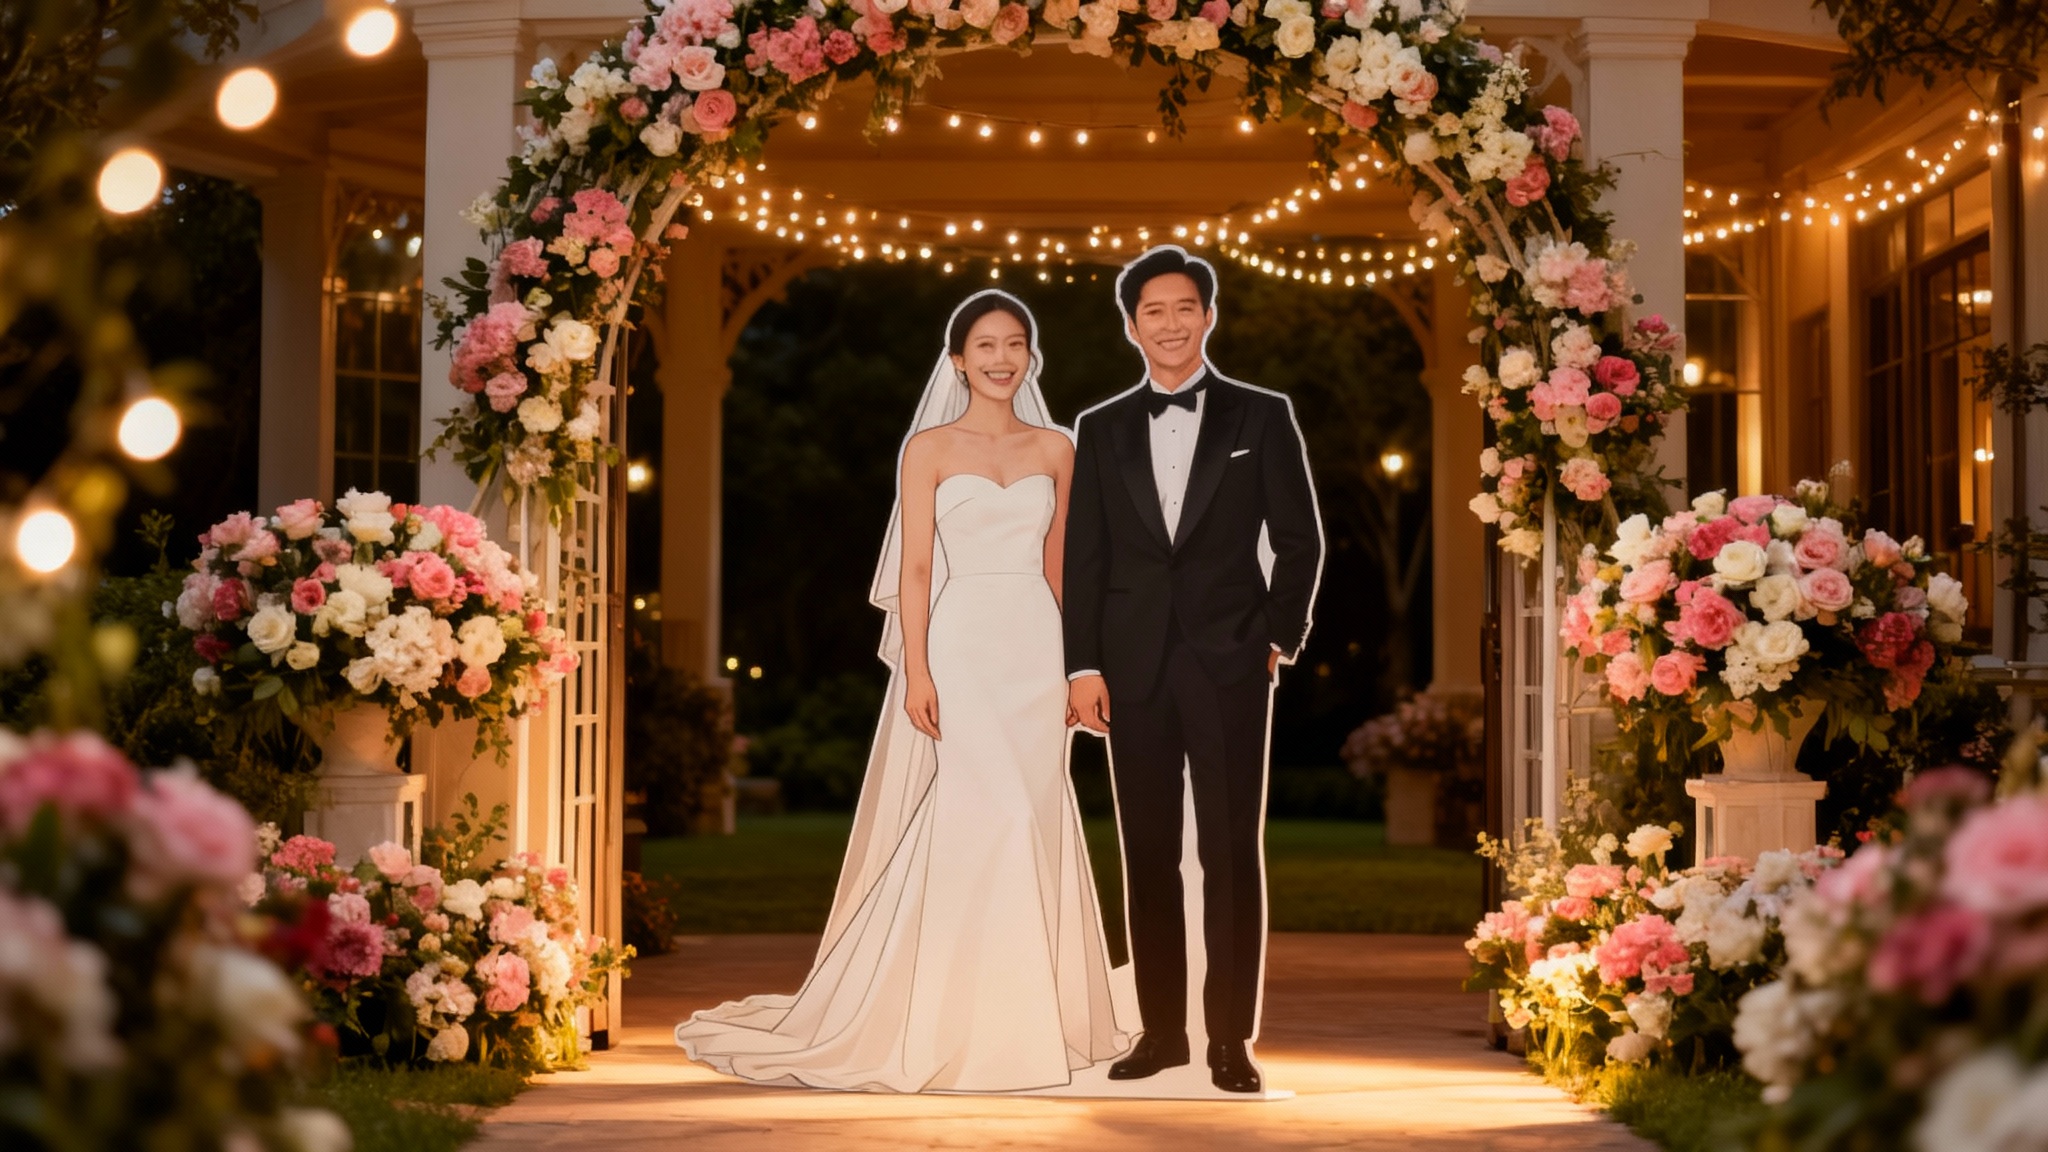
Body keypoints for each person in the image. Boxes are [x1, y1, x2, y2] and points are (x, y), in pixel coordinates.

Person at [674, 290, 1128, 1092]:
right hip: (960, 645)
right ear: (958, 359)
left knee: (1034, 813)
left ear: (1031, 356)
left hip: (1034, 641)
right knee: (992, 817)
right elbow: (916, 568)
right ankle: (950, 1022)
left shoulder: (1059, 448)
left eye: (1014, 343)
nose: (1000, 357)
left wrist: (1078, 663)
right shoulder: (926, 449)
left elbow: (1063, 565)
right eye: (984, 344)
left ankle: (1030, 1013)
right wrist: (918, 668)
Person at [1064, 245, 1324, 1094]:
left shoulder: (1261, 415)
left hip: (1230, 664)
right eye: (1152, 312)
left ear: (1208, 316)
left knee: (1227, 853)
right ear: (1130, 325)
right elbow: (1085, 556)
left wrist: (1277, 636)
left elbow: (1299, 539)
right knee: (1145, 855)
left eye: (1185, 308)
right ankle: (1163, 1033)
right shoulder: (1098, 428)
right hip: (1128, 668)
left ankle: (1228, 1041)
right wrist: (1084, 665)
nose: (1169, 324)